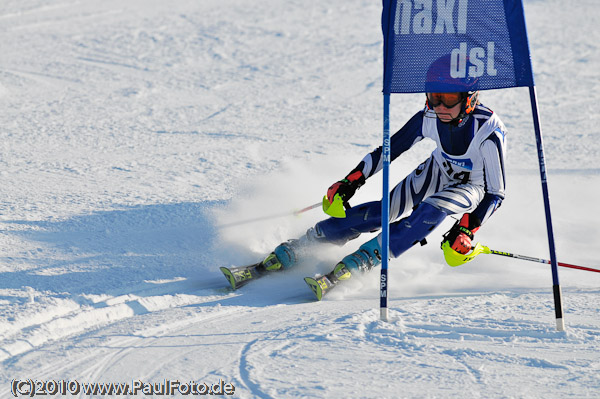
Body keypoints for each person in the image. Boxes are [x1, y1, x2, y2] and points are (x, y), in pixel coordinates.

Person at [260, 79, 507, 287]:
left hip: (471, 186)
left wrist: (467, 228)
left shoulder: (488, 131)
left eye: (450, 98)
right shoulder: (429, 116)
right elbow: (390, 150)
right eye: (435, 96)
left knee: (428, 212)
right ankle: (308, 243)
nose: (440, 106)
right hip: (437, 170)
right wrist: (352, 180)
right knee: (381, 212)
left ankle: (368, 257)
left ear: (469, 99)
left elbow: (495, 193)